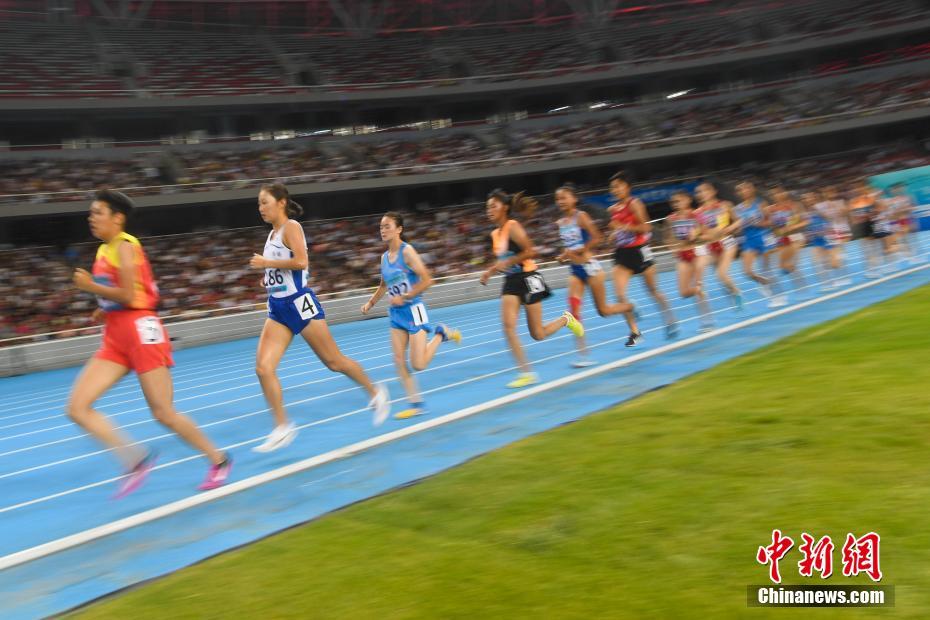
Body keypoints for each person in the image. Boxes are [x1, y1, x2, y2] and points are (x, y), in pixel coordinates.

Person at [67, 190, 231, 496]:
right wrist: (103, 307)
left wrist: (89, 286)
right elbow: (118, 293)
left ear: (118, 218)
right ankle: (135, 459)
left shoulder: (125, 246)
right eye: (90, 213)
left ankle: (219, 459)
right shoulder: (103, 250)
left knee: (163, 412)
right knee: (77, 408)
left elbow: (130, 295)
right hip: (115, 336)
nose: (91, 218)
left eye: (97, 212)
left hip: (142, 332)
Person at [251, 182, 390, 452]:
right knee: (263, 369)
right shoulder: (271, 235)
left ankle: (376, 393)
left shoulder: (292, 227)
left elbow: (301, 262)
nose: (260, 208)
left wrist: (267, 263)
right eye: (258, 203)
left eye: (264, 202)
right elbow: (284, 270)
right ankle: (282, 427)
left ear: (281, 202)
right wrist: (269, 278)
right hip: (278, 307)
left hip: (300, 303)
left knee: (334, 362)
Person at [361, 212, 462, 419]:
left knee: (418, 364)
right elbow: (383, 285)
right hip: (396, 314)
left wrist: (406, 296)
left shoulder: (407, 252)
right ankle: (416, 404)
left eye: (387, 226)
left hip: (414, 310)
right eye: (381, 227)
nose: (383, 230)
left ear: (399, 229)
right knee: (398, 360)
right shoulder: (384, 257)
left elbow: (427, 280)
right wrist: (370, 303)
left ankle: (441, 334)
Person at [480, 188, 584, 388]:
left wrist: (509, 262)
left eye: (493, 206)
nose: (489, 210)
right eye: (487, 207)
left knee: (538, 334)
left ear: (505, 207)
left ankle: (566, 319)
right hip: (511, 281)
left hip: (529, 277)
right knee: (508, 327)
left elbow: (530, 251)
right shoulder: (494, 233)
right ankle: (526, 373)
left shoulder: (513, 226)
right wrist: (490, 272)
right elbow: (503, 260)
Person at [555, 183, 635, 367]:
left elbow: (597, 237)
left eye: (564, 197)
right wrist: (564, 256)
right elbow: (570, 246)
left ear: (574, 198)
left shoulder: (581, 216)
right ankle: (583, 355)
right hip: (575, 271)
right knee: (574, 311)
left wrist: (582, 249)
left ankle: (629, 306)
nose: (560, 201)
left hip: (591, 268)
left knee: (603, 311)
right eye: (557, 199)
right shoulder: (560, 223)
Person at [606, 171, 678, 346]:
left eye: (618, 186)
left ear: (627, 187)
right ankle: (635, 332)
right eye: (612, 188)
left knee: (653, 291)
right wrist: (613, 235)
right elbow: (618, 229)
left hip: (639, 251)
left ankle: (670, 319)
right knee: (619, 295)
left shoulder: (634, 203)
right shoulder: (612, 209)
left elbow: (646, 228)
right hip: (622, 253)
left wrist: (623, 227)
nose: (615, 190)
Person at [665, 190, 714, 332]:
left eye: (679, 200)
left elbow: (709, 236)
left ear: (688, 200)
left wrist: (696, 235)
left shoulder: (697, 215)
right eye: (673, 202)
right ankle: (699, 291)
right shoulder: (671, 219)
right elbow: (669, 238)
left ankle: (707, 322)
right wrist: (672, 247)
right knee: (684, 292)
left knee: (697, 285)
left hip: (698, 252)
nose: (676, 204)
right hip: (683, 255)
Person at [733, 181, 786, 307]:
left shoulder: (761, 204)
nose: (744, 191)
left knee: (766, 269)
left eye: (746, 188)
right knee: (747, 271)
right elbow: (737, 228)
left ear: (752, 190)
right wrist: (736, 229)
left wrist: (758, 223)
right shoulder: (737, 209)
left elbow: (771, 221)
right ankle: (764, 283)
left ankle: (778, 297)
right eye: (741, 190)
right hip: (748, 240)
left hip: (763, 237)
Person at [693, 181, 742, 310]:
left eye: (704, 190)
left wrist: (730, 227)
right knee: (720, 278)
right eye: (698, 192)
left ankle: (737, 292)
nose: (701, 194)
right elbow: (700, 233)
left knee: (721, 274)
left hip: (727, 243)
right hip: (711, 246)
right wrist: (698, 237)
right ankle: (732, 293)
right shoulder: (697, 213)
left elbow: (739, 220)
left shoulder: (725, 205)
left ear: (713, 192)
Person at [769, 185, 809, 294]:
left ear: (784, 193)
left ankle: (802, 287)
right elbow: (772, 226)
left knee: (789, 264)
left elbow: (806, 221)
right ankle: (801, 285)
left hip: (796, 237)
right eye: (773, 194)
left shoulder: (795, 205)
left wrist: (792, 227)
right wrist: (774, 234)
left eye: (778, 192)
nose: (776, 195)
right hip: (782, 239)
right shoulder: (771, 209)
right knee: (782, 266)